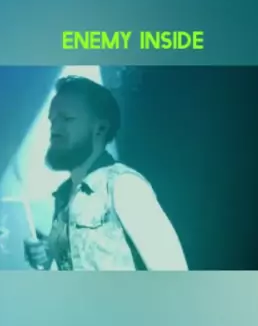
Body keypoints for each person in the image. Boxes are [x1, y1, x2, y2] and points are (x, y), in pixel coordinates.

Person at [24, 76, 188, 271]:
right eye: (53, 120)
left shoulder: (124, 186)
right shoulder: (63, 195)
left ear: (100, 128)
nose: (55, 129)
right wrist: (47, 255)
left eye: (67, 119)